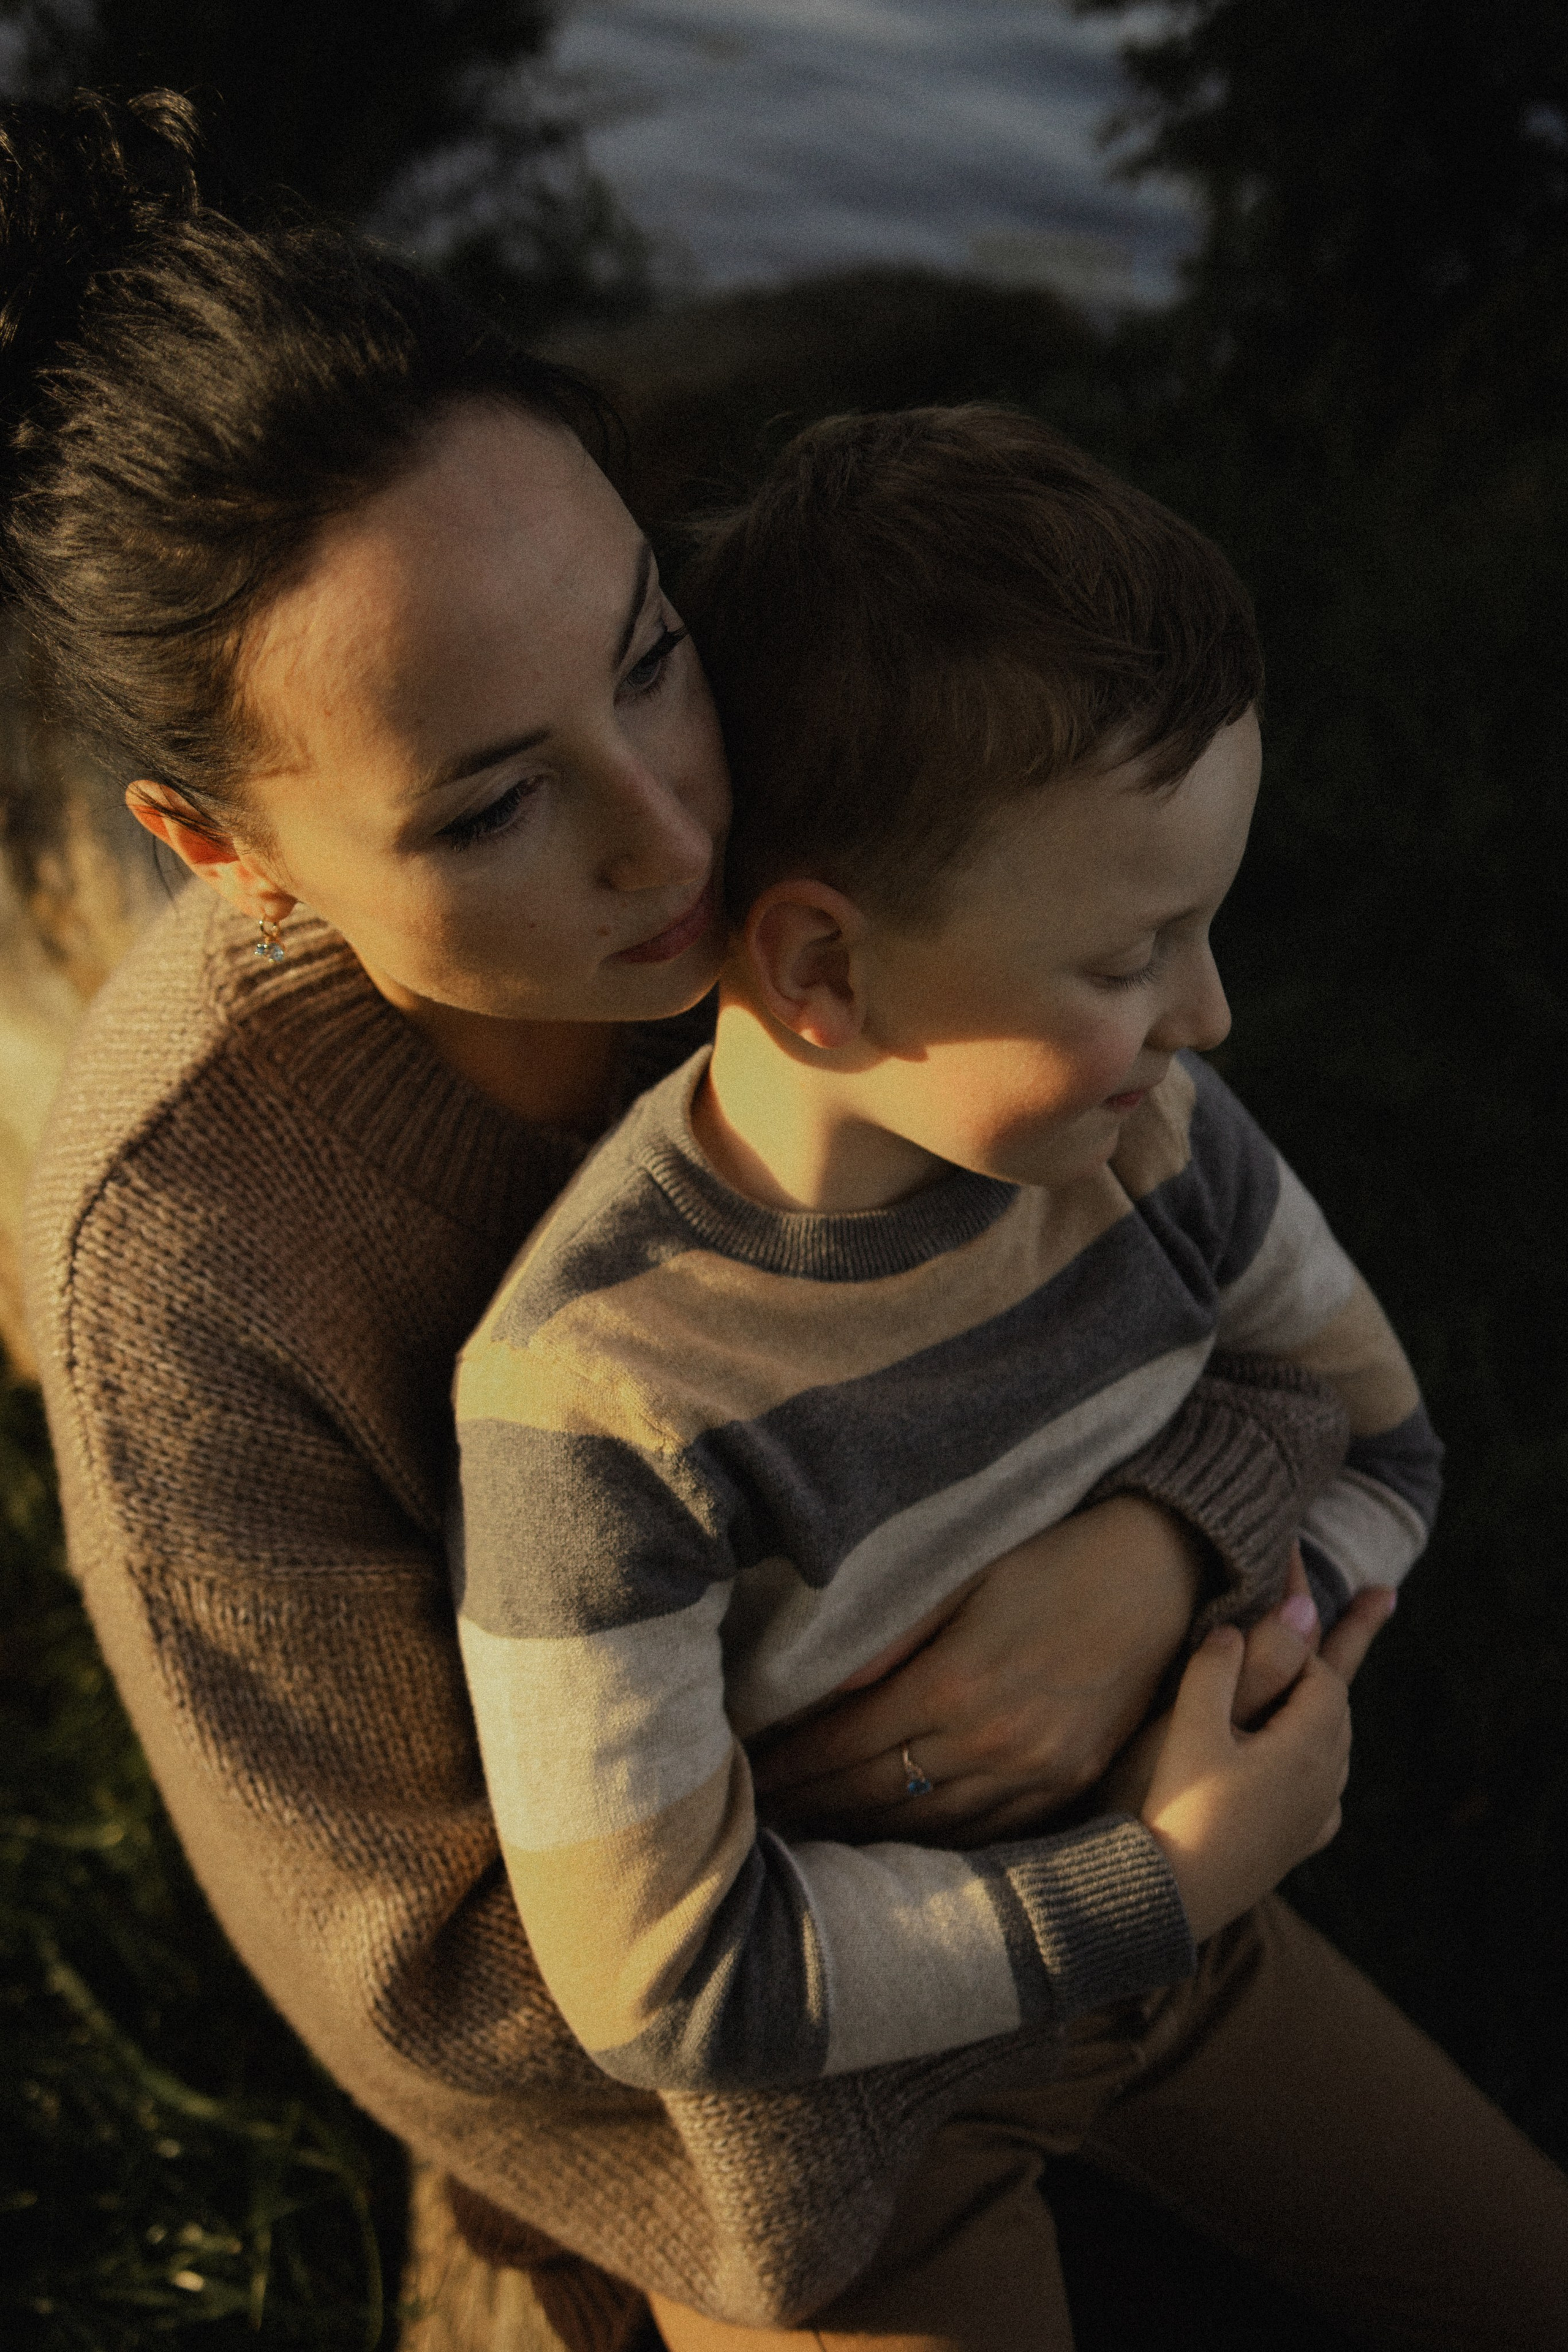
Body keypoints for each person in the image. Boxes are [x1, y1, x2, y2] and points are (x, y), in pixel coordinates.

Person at [7, 90, 1372, 2352]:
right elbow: (429, 1976)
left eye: (645, 649)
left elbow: (1174, 1214)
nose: (675, 843)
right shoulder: (177, 1267)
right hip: (752, 2124)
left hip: (1126, 1849)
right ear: (218, 847)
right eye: (491, 806)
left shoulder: (806, 742)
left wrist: (1163, 1556)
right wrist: (1091, 1875)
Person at [453, 409, 1568, 2349]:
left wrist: (1210, 1625)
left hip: (1198, 1961)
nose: (1210, 1017)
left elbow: (1382, 1434)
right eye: (1137, 953)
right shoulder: (596, 1405)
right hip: (866, 2158)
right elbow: (668, 1978)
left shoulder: (1156, 1139)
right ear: (827, 977)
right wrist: (1162, 1868)